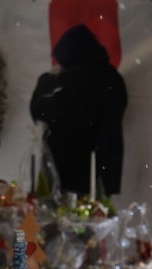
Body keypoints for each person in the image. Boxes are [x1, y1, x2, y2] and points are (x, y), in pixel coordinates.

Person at [30, 24, 127, 196]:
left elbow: (41, 112)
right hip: (103, 165)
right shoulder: (112, 77)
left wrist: (47, 83)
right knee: (99, 218)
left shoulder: (70, 78)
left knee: (65, 218)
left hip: (68, 169)